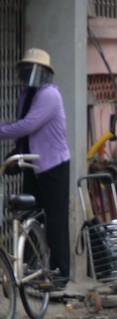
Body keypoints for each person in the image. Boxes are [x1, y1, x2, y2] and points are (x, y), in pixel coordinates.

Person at [0, 49, 71, 289]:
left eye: (35, 69)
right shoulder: (25, 94)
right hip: (31, 161)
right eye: (27, 69)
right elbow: (25, 132)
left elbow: (28, 125)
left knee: (56, 219)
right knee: (30, 215)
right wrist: (14, 154)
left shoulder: (49, 94)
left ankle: (62, 273)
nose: (30, 74)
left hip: (53, 164)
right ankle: (30, 268)